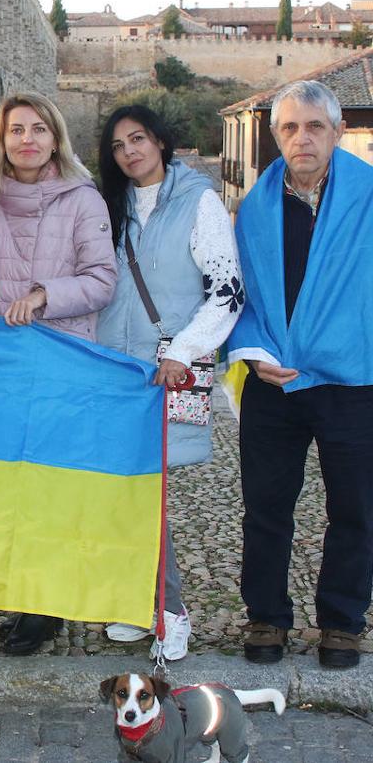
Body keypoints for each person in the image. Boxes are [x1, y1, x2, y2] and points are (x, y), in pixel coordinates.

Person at [227, 80, 373, 670]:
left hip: (352, 380)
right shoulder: (254, 207)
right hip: (273, 382)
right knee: (265, 506)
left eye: (314, 126)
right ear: (275, 136)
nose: (302, 138)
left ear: (337, 132)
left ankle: (342, 621)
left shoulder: (368, 196)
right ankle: (266, 615)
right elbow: (234, 295)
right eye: (290, 128)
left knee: (356, 507)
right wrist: (249, 351)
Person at [95, 106, 244, 661]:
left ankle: (171, 611)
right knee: (121, 490)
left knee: (150, 493)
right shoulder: (110, 205)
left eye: (138, 139)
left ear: (160, 140)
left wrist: (183, 351)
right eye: (118, 146)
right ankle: (140, 604)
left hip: (172, 366)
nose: (130, 151)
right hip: (115, 366)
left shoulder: (199, 202)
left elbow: (227, 291)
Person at [0, 91, 117, 656]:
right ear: (2, 140)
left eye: (39, 128)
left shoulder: (84, 201)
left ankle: (46, 606)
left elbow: (102, 280)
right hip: (6, 365)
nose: (28, 139)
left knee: (51, 487)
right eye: (16, 129)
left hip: (63, 360)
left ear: (55, 138)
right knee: (14, 486)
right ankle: (21, 596)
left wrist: (44, 295)